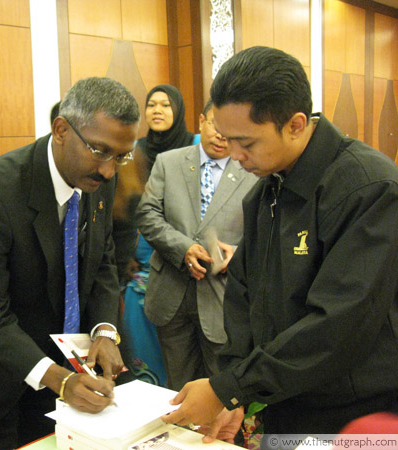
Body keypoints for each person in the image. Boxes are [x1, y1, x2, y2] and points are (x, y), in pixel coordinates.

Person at [162, 46, 398, 444]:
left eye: (246, 143)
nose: (235, 156)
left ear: (295, 124)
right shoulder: (267, 189)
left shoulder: (367, 187)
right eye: (227, 140)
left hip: (356, 412)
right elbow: (243, 295)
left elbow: (339, 323)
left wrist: (229, 387)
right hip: (287, 398)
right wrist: (234, 386)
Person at [0, 77, 140, 449]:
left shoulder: (98, 179)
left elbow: (102, 261)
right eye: (99, 151)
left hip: (54, 361)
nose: (109, 170)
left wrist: (105, 331)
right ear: (61, 130)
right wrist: (59, 379)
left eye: (121, 156)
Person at [136, 99, 257, 391]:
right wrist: (183, 249)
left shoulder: (253, 170)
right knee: (178, 387)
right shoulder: (169, 162)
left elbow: (264, 230)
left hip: (224, 296)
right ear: (202, 121)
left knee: (221, 388)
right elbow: (147, 213)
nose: (221, 135)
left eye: (230, 129)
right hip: (171, 292)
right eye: (215, 125)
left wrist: (238, 254)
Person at [118, 84, 199, 387]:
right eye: (152, 105)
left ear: (178, 110)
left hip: (187, 259)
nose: (158, 111)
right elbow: (123, 206)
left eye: (166, 105)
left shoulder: (196, 146)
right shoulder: (134, 150)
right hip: (140, 259)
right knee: (142, 348)